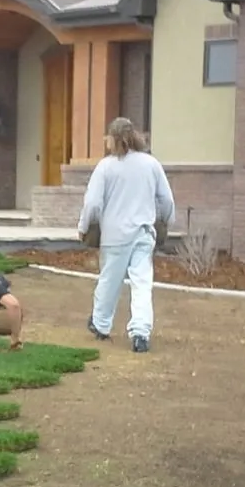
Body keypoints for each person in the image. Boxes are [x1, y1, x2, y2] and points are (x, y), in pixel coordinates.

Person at [77, 117, 176, 354]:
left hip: (115, 235)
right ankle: (140, 333)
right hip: (144, 232)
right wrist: (166, 221)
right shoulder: (151, 164)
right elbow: (166, 200)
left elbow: (92, 203)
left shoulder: (106, 167)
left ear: (112, 138)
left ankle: (100, 324)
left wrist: (84, 226)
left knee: (109, 280)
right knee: (142, 283)